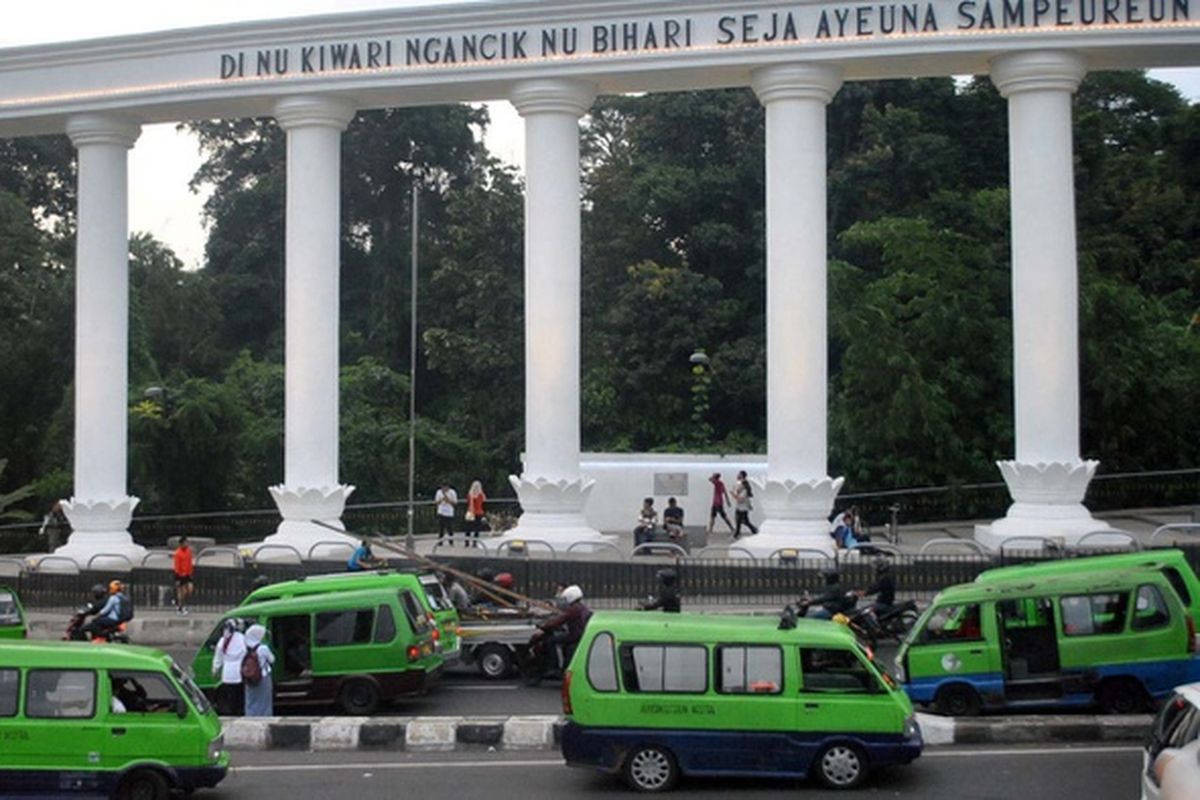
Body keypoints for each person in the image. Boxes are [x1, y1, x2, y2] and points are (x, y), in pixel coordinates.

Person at [535, 584, 592, 665]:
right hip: (579, 634)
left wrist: (544, 625)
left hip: (575, 635)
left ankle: (553, 666)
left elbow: (559, 620)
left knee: (550, 641)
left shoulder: (573, 609)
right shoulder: (580, 607)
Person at [211, 619, 246, 716]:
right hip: (239, 672)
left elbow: (218, 657)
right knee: (240, 697)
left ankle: (232, 713)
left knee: (230, 697)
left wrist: (215, 669)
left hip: (227, 673)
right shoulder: (242, 638)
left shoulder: (223, 641)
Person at [242, 624, 276, 717]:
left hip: (249, 677)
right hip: (263, 677)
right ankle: (264, 718)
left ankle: (250, 718)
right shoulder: (263, 648)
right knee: (264, 701)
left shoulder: (245, 647)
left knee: (251, 700)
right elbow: (272, 659)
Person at [732, 470, 758, 539]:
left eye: (739, 475)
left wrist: (733, 494)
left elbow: (740, 499)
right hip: (740, 507)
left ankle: (737, 534)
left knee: (742, 521)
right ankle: (753, 530)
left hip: (743, 508)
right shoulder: (740, 486)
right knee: (741, 521)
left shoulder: (744, 490)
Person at [173, 536, 195, 615]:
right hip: (180, 574)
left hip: (187, 574)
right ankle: (180, 607)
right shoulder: (178, 553)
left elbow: (190, 562)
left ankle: (180, 604)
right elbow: (177, 566)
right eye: (185, 542)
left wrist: (191, 572)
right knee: (182, 591)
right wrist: (177, 578)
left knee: (189, 589)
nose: (187, 544)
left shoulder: (188, 551)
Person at [464, 480, 486, 547]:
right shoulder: (479, 495)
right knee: (471, 528)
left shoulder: (477, 495)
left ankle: (472, 542)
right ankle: (470, 542)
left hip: (476, 512)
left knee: (474, 528)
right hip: (475, 512)